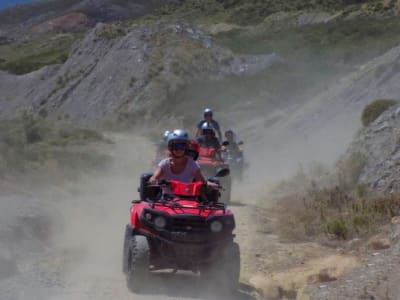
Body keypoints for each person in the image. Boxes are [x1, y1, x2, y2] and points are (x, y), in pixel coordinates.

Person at [149, 129, 218, 187]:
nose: (179, 150)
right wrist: (153, 180)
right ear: (171, 147)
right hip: (166, 200)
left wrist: (210, 184)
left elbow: (203, 182)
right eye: (176, 147)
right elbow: (154, 178)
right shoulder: (164, 164)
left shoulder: (192, 165)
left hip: (188, 199)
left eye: (182, 147)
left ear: (186, 148)